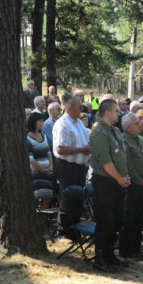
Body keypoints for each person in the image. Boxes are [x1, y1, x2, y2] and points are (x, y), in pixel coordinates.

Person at [89, 99, 130, 272]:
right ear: (107, 112)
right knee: (106, 221)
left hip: (118, 182)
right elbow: (106, 163)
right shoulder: (99, 133)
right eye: (116, 111)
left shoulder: (114, 131)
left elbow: (120, 155)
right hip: (105, 183)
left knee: (117, 220)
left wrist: (124, 177)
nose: (119, 114)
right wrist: (120, 178)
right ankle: (100, 258)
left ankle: (109, 254)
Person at [52, 97, 91, 238]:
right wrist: (81, 150)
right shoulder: (62, 124)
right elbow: (60, 149)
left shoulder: (79, 122)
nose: (81, 110)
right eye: (79, 107)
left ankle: (74, 229)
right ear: (70, 108)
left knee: (78, 199)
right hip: (67, 167)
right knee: (67, 199)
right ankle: (63, 231)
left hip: (80, 168)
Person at [121, 112, 143, 257]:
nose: (140, 125)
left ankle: (136, 248)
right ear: (128, 127)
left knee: (139, 216)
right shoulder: (124, 141)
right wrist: (142, 182)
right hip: (132, 185)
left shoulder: (140, 138)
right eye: (136, 123)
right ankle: (127, 250)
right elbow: (129, 166)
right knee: (129, 217)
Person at [27, 112, 54, 181]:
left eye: (42, 121)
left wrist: (50, 167)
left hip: (48, 172)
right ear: (33, 122)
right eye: (39, 121)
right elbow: (31, 159)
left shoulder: (44, 135)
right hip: (36, 173)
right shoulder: (28, 139)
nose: (42, 123)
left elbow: (49, 153)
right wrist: (43, 170)